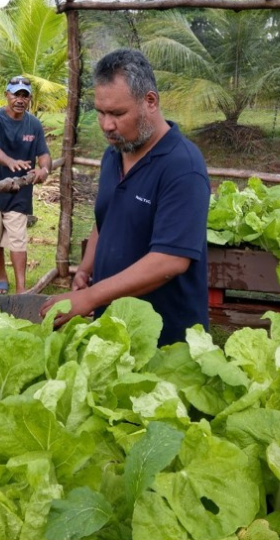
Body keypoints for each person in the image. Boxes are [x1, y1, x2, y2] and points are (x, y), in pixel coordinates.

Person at [40, 49, 211, 346]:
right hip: (115, 329)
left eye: (118, 113)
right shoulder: (114, 154)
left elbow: (169, 261)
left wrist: (91, 296)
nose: (107, 125)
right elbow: (105, 219)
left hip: (165, 339)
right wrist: (86, 269)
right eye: (101, 112)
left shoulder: (183, 166)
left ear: (150, 101)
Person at [0, 75, 51, 294]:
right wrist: (10, 161)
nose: (19, 99)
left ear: (29, 99)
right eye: (15, 94)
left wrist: (44, 169)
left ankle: (20, 288)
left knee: (18, 239)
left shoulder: (33, 124)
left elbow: (44, 154)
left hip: (20, 189)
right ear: (6, 95)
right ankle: (1, 275)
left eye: (24, 96)